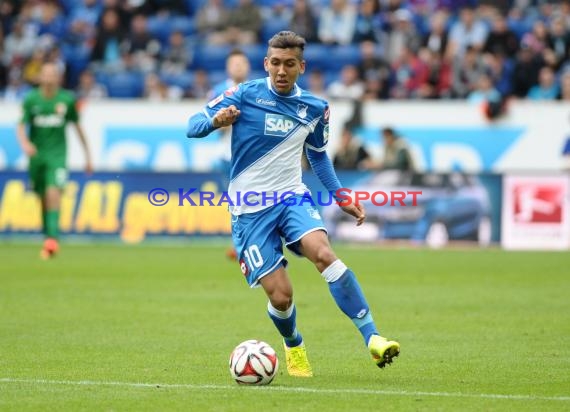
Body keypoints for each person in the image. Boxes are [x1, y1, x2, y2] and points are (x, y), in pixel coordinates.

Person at [186, 31, 400, 377]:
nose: (281, 71)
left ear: (301, 66)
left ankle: (373, 337)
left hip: (290, 197)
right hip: (249, 210)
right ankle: (294, 343)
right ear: (266, 64)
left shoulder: (315, 108)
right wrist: (215, 122)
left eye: (289, 64)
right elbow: (191, 126)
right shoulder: (243, 94)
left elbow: (318, 155)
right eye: (275, 63)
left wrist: (340, 195)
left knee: (325, 254)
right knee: (281, 297)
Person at [16, 62, 93, 259]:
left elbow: (78, 127)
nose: (49, 78)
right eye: (46, 74)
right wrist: (25, 144)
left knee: (53, 193)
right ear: (40, 77)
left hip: (57, 156)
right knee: (42, 197)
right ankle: (48, 237)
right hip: (37, 157)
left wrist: (88, 156)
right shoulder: (31, 99)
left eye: (53, 75)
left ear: (58, 78)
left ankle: (53, 239)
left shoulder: (66, 100)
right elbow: (21, 126)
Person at [208, 48, 251, 261]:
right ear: (228, 67)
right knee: (237, 201)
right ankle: (241, 244)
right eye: (235, 64)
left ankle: (249, 242)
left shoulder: (255, 90)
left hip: (251, 156)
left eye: (242, 63)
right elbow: (212, 124)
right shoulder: (219, 91)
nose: (239, 67)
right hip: (228, 155)